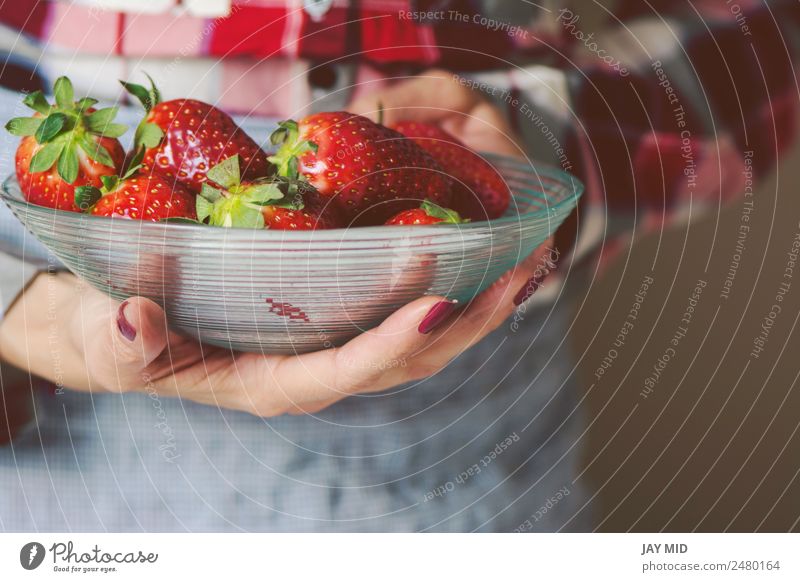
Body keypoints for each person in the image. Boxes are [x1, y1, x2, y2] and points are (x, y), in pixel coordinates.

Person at [0, 0, 795, 531]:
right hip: (33, 440)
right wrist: (20, 303)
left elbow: (761, 34)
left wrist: (530, 174)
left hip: (427, 451)